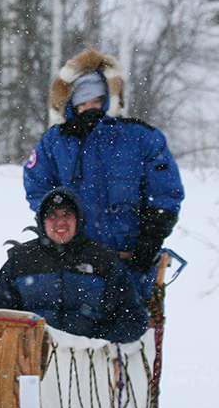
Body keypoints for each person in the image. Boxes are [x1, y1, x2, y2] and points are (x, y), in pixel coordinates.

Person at [23, 50, 183, 300]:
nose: (89, 108)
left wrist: (151, 237)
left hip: (132, 260)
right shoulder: (53, 142)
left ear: (110, 99)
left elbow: (165, 193)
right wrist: (54, 227)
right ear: (70, 104)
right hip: (75, 259)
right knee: (76, 331)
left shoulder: (141, 137)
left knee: (133, 330)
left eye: (96, 101)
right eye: (82, 102)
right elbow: (38, 188)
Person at [0, 188, 150, 344]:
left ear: (79, 219)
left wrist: (102, 345)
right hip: (32, 357)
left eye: (67, 214)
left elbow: (134, 317)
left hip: (90, 360)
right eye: (52, 216)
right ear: (42, 221)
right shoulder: (21, 259)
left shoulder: (103, 260)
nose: (60, 222)